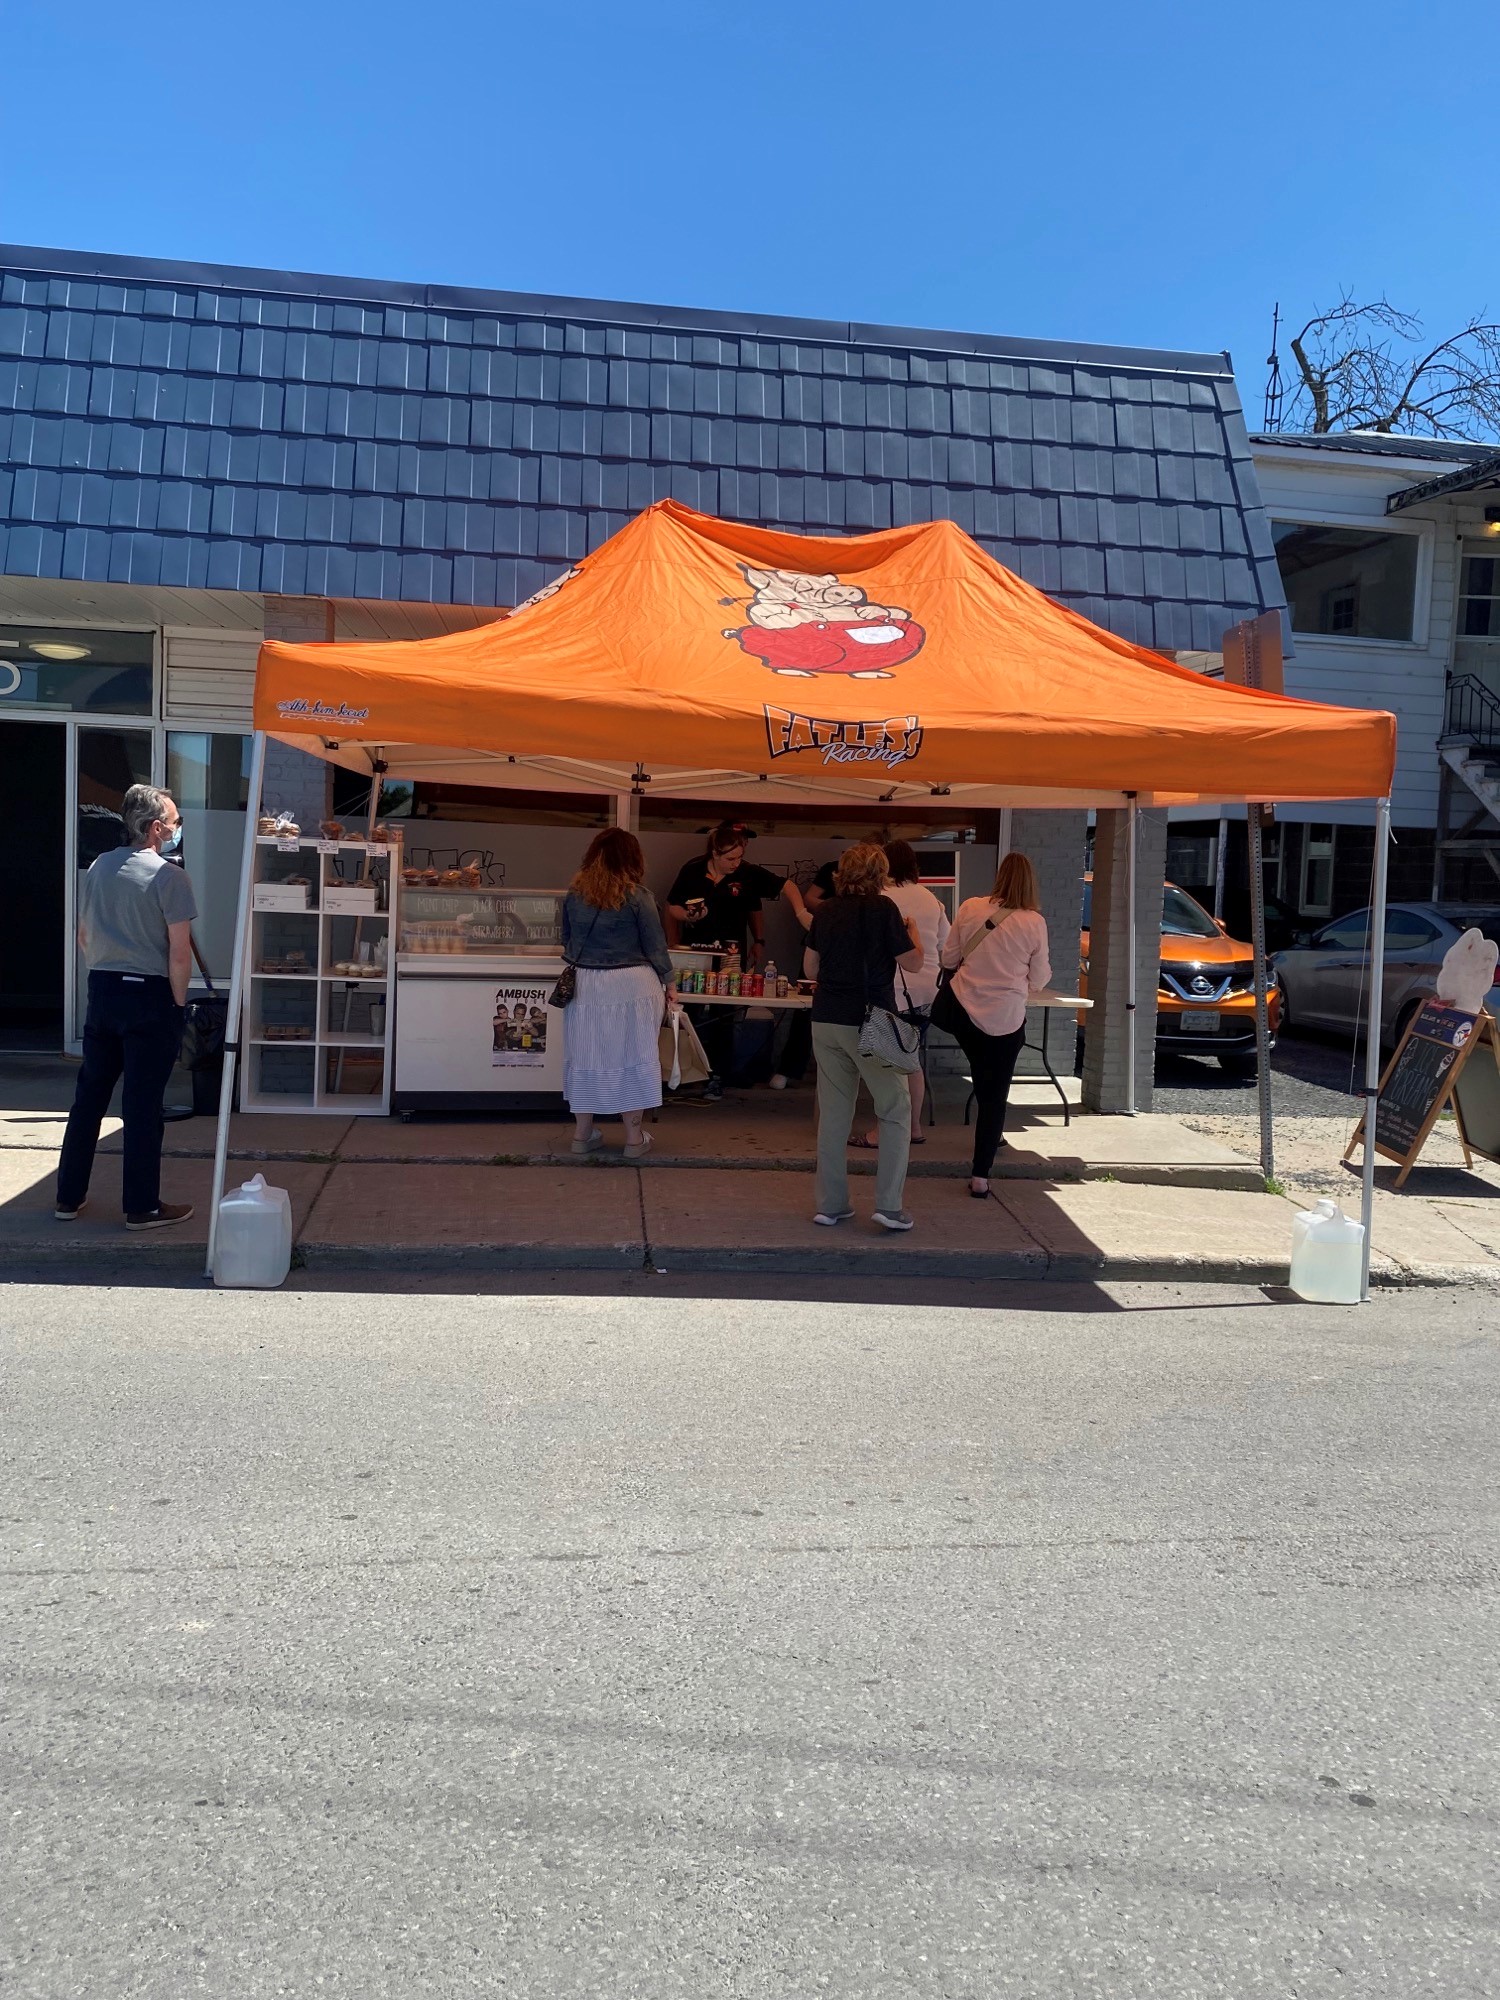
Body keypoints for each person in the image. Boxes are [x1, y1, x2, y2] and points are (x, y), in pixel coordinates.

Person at [56, 783, 197, 1230]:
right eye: (174, 823)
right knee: (141, 1106)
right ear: (156, 828)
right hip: (148, 997)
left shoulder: (99, 866)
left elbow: (83, 935)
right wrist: (177, 1006)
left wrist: (106, 969)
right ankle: (142, 1206)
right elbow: (180, 953)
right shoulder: (169, 877)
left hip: (102, 991)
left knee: (89, 1101)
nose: (177, 830)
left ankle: (67, 1197)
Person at [805, 843, 924, 1232]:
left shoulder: (824, 911)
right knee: (894, 1108)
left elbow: (811, 966)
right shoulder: (884, 910)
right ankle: (889, 1207)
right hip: (872, 1019)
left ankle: (831, 1205)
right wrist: (914, 935)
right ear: (880, 874)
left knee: (834, 1114)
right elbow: (913, 961)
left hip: (826, 1019)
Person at [940, 850, 1051, 1199]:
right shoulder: (1034, 922)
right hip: (1006, 1017)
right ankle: (980, 1176)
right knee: (995, 1095)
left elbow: (948, 958)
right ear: (1031, 883)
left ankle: (990, 1130)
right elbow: (1040, 978)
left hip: (965, 1011)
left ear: (999, 877)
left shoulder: (971, 907)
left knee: (982, 1077)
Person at [666, 821, 807, 1093]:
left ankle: (719, 1074)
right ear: (714, 854)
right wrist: (686, 916)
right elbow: (672, 905)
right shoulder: (692, 870)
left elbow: (786, 885)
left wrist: (800, 913)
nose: (735, 863)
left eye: (739, 857)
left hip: (731, 955)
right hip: (694, 953)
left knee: (726, 1015)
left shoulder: (747, 873)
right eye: (730, 858)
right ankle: (682, 1074)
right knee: (687, 1013)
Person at [561, 828, 676, 1160]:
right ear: (633, 858)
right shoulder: (639, 896)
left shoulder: (574, 894)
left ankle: (582, 1136)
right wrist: (670, 984)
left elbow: (567, 941)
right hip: (633, 985)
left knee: (586, 1056)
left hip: (586, 984)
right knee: (632, 1055)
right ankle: (633, 1139)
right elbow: (656, 947)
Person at [855, 840, 950, 1147]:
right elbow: (945, 946)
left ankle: (882, 1131)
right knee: (911, 1057)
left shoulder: (879, 897)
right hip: (925, 993)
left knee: (887, 1063)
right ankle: (914, 1127)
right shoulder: (931, 898)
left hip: (891, 989)